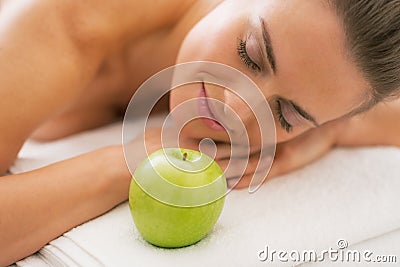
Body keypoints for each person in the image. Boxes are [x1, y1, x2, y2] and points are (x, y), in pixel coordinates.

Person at [0, 0, 399, 264]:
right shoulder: (70, 19)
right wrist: (130, 163)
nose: (236, 109)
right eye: (251, 54)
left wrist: (327, 134)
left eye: (287, 114)